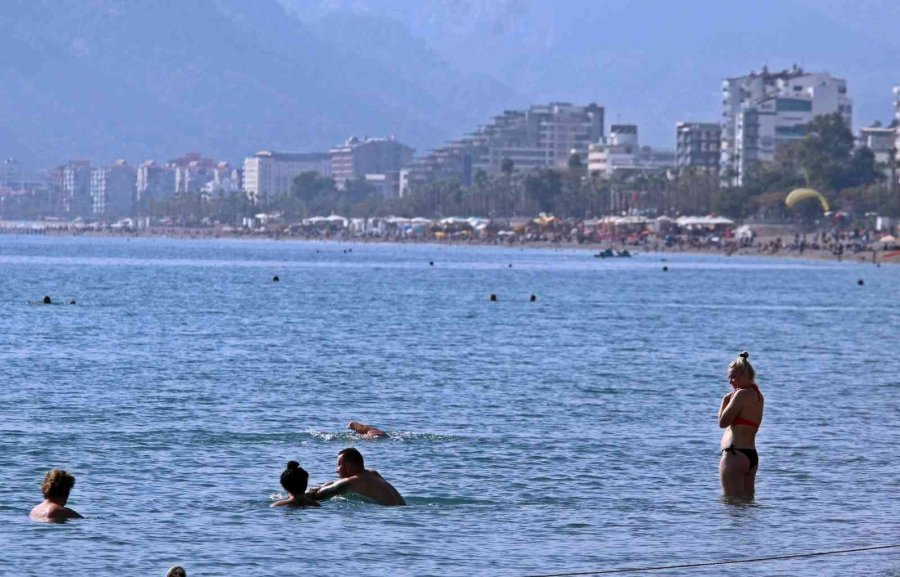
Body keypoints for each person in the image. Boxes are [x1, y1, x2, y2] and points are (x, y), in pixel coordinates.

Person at [718, 351, 765, 499]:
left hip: (735, 456)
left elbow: (722, 422)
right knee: (747, 505)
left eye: (733, 376)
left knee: (731, 505)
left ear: (745, 375)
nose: (730, 381)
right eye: (729, 377)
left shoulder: (740, 395)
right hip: (751, 457)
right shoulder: (758, 396)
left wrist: (725, 401)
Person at [306, 448, 406, 506]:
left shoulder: (353, 482)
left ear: (349, 467)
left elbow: (319, 495)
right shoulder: (373, 474)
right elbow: (337, 484)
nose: (336, 470)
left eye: (338, 465)